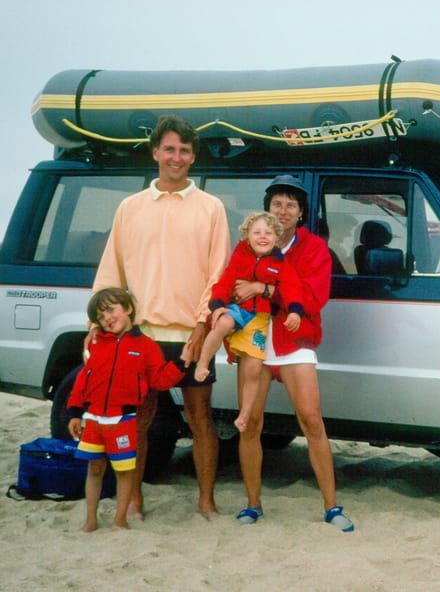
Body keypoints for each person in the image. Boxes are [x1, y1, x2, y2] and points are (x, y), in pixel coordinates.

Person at [91, 114, 231, 520]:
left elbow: (218, 272)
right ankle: (133, 500)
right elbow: (110, 272)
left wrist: (203, 325)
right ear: (155, 152)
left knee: (201, 418)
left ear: (193, 157)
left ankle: (206, 500)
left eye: (185, 150)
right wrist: (96, 327)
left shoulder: (210, 207)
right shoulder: (129, 208)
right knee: (138, 420)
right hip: (140, 335)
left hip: (192, 333)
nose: (176, 157)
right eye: (169, 149)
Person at [231, 175, 354, 531]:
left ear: (301, 213)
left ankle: (332, 507)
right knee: (250, 423)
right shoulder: (249, 243)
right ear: (266, 208)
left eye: (291, 205)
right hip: (253, 341)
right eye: (277, 203)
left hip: (293, 341)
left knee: (312, 420)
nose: (283, 211)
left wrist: (263, 287)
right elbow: (234, 289)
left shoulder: (314, 248)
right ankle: (253, 504)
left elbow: (313, 300)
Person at [69, 288, 188, 532]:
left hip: (123, 420)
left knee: (125, 471)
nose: (108, 319)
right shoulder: (97, 344)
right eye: (101, 317)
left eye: (111, 310)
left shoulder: (146, 346)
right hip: (93, 419)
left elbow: (159, 380)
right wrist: (74, 412)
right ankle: (90, 519)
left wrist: (182, 363)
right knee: (95, 468)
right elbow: (84, 379)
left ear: (128, 309)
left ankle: (120, 519)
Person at [195, 211, 305, 433]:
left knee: (254, 369)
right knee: (223, 322)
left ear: (276, 237)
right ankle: (203, 364)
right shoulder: (240, 256)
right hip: (237, 309)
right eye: (257, 232)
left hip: (259, 319)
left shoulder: (281, 263)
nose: (262, 237)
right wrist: (216, 306)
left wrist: (295, 312)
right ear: (247, 236)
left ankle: (244, 416)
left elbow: (292, 289)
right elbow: (225, 283)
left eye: (268, 233)